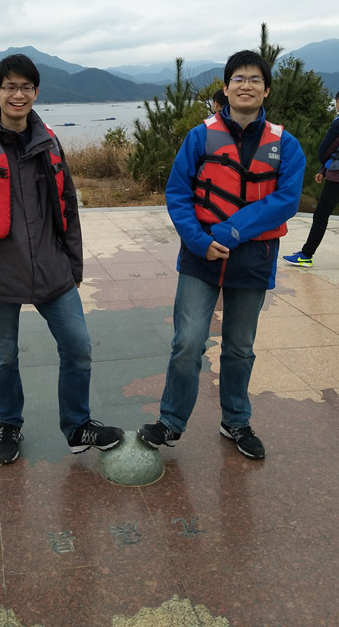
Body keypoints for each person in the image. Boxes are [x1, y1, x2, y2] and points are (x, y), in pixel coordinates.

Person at [0, 53, 123, 465]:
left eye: (26, 87)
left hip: (51, 266)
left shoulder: (48, 138)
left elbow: (68, 202)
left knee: (78, 345)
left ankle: (78, 425)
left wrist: (74, 263)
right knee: (3, 354)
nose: (18, 94)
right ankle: (10, 425)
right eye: (9, 87)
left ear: (36, 92)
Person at [138, 50, 305, 459]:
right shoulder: (200, 136)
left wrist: (230, 232)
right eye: (238, 79)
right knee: (188, 343)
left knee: (238, 347)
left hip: (254, 257)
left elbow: (286, 200)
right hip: (201, 256)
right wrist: (198, 240)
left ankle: (236, 421)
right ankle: (170, 422)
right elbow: (177, 193)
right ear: (226, 87)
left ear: (266, 89)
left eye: (254, 79)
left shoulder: (285, 144)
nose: (245, 85)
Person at [283, 88, 339, 273]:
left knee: (321, 216)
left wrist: (324, 164)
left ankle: (306, 255)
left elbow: (325, 149)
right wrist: (323, 170)